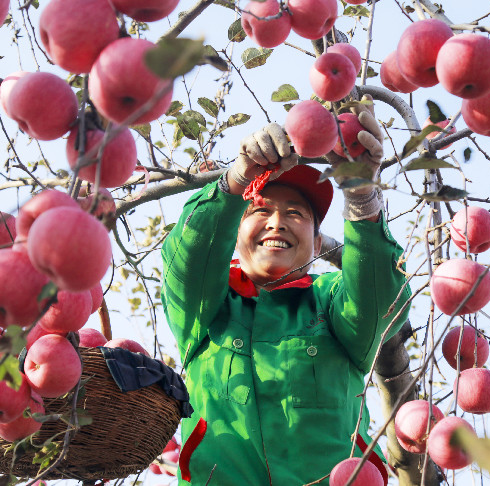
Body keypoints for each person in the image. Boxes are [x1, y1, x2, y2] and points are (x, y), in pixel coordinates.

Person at [161, 96, 411, 485]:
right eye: (260, 209)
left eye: (295, 213)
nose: (277, 222)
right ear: (234, 232)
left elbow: (381, 299)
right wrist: (236, 179)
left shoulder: (328, 301)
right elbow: (186, 257)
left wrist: (363, 198)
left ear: (315, 243)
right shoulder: (209, 308)